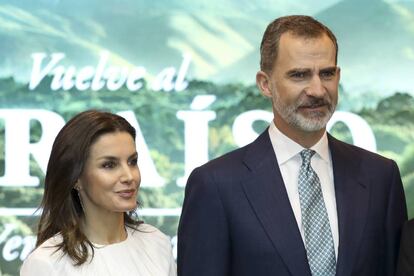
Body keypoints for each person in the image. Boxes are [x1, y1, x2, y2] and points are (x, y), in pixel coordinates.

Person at [177, 15, 407, 276]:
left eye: (327, 74)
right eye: (299, 75)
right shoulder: (216, 185)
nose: (318, 90)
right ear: (265, 84)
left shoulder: (380, 177)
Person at [21, 110, 176, 276]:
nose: (129, 176)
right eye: (109, 165)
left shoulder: (157, 243)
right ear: (76, 178)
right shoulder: (47, 263)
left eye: (132, 162)